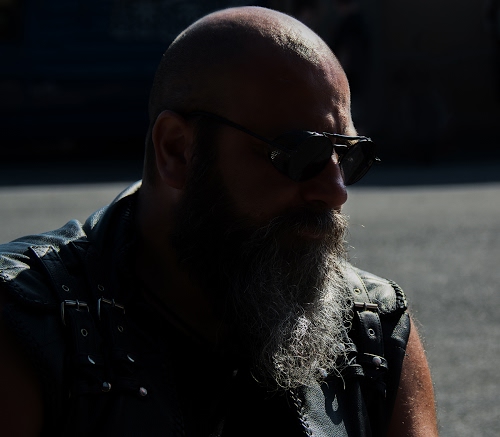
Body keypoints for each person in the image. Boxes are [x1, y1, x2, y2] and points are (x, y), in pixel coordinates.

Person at [0, 6, 438, 436]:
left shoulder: (372, 328)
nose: (336, 191)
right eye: (301, 154)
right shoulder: (29, 325)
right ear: (177, 151)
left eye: (349, 156)